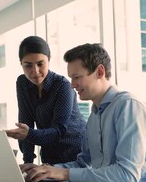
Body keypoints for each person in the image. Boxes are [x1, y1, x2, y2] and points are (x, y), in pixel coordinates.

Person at [20, 43, 146, 182]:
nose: (72, 85)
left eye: (77, 77)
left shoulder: (129, 106)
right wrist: (47, 170)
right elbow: (83, 163)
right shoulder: (95, 116)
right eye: (71, 78)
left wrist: (65, 174)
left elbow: (127, 176)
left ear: (100, 72)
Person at [5, 36, 86, 165]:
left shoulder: (62, 85)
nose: (35, 72)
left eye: (40, 64)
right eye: (28, 65)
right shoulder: (22, 83)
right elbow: (26, 123)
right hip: (49, 152)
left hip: (75, 152)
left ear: (49, 60)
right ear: (21, 63)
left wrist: (28, 134)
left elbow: (58, 131)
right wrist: (28, 162)